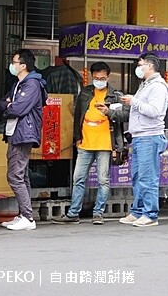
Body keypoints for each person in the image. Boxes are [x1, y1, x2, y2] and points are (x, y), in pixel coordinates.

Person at [52, 61, 127, 225]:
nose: (99, 80)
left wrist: (109, 112)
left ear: (108, 77)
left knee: (103, 180)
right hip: (85, 143)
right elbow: (77, 115)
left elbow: (126, 116)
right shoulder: (86, 92)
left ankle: (98, 213)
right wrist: (77, 138)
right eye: (96, 77)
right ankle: (73, 213)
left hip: (106, 144)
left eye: (102, 77)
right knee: (78, 178)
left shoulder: (116, 95)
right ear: (92, 77)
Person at [117, 53, 168, 227]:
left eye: (140, 64)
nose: (138, 68)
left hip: (149, 136)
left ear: (149, 66)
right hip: (140, 136)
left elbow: (154, 110)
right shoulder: (145, 85)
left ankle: (150, 214)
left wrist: (134, 102)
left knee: (147, 177)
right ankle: (138, 211)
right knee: (138, 176)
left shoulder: (158, 87)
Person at [0, 49, 46, 231]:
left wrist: (11, 105)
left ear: (23, 65)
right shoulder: (19, 83)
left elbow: (17, 109)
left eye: (14, 62)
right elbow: (2, 103)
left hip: (23, 133)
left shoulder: (31, 84)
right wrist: (8, 104)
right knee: (22, 175)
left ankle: (27, 217)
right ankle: (24, 215)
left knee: (14, 176)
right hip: (15, 132)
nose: (12, 65)